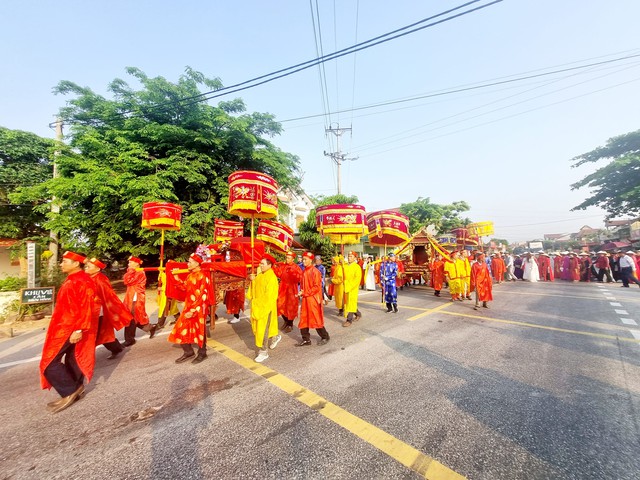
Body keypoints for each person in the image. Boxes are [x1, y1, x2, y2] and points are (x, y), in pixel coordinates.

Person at [40, 251, 98, 414]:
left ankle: (70, 390)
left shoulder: (82, 281)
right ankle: (74, 389)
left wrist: (78, 329)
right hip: (63, 326)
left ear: (76, 264)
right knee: (72, 357)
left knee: (50, 362)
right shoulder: (74, 279)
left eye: (65, 261)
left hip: (70, 328)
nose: (61, 264)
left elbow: (86, 307)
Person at [168, 253, 212, 364]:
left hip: (198, 308)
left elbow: (203, 296)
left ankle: (202, 353)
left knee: (200, 330)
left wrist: (193, 311)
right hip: (189, 306)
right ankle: (188, 352)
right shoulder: (190, 275)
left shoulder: (203, 276)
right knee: (181, 328)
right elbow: (185, 288)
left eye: (190, 262)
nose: (188, 264)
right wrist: (176, 279)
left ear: (197, 263)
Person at [85, 257, 131, 360]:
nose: (86, 268)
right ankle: (117, 348)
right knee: (102, 334)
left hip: (99, 312)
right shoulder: (89, 277)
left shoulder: (100, 280)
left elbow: (109, 296)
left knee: (96, 335)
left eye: (89, 266)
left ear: (97, 269)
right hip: (90, 311)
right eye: (86, 266)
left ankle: (83, 358)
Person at [246, 254, 281, 363]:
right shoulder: (260, 275)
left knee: (263, 331)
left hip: (266, 307)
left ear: (269, 265)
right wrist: (252, 280)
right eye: (260, 263)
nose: (260, 265)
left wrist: (259, 304)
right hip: (258, 306)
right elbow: (255, 287)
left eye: (262, 264)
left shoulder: (272, 277)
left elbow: (270, 296)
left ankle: (263, 352)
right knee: (262, 329)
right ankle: (275, 337)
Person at [297, 252, 330, 346]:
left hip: (313, 299)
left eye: (305, 259)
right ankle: (306, 339)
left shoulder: (315, 272)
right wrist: (301, 292)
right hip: (306, 298)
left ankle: (325, 336)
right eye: (303, 259)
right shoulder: (304, 271)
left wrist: (305, 293)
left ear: (310, 260)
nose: (303, 261)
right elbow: (303, 286)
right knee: (304, 318)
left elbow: (316, 287)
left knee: (315, 318)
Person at [122, 256, 154, 346]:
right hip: (130, 297)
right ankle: (150, 328)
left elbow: (127, 281)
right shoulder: (133, 272)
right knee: (133, 317)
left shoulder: (140, 272)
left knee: (130, 317)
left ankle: (129, 339)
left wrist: (131, 271)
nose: (128, 264)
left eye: (130, 262)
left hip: (136, 298)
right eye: (129, 263)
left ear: (137, 264)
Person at [273, 251, 302, 333]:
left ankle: (290, 324)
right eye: (286, 257)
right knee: (280, 305)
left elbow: (299, 278)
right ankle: (286, 321)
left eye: (289, 258)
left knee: (291, 307)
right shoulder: (283, 266)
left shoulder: (296, 267)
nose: (287, 259)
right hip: (283, 287)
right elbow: (279, 274)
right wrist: (274, 267)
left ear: (293, 259)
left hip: (292, 289)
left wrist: (292, 272)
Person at [342, 251, 363, 327]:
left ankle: (349, 320)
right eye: (348, 256)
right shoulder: (346, 266)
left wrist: (349, 285)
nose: (349, 258)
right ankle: (358, 314)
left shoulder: (357, 267)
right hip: (346, 287)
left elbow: (357, 279)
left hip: (352, 288)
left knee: (351, 302)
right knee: (350, 303)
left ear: (355, 258)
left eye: (351, 256)